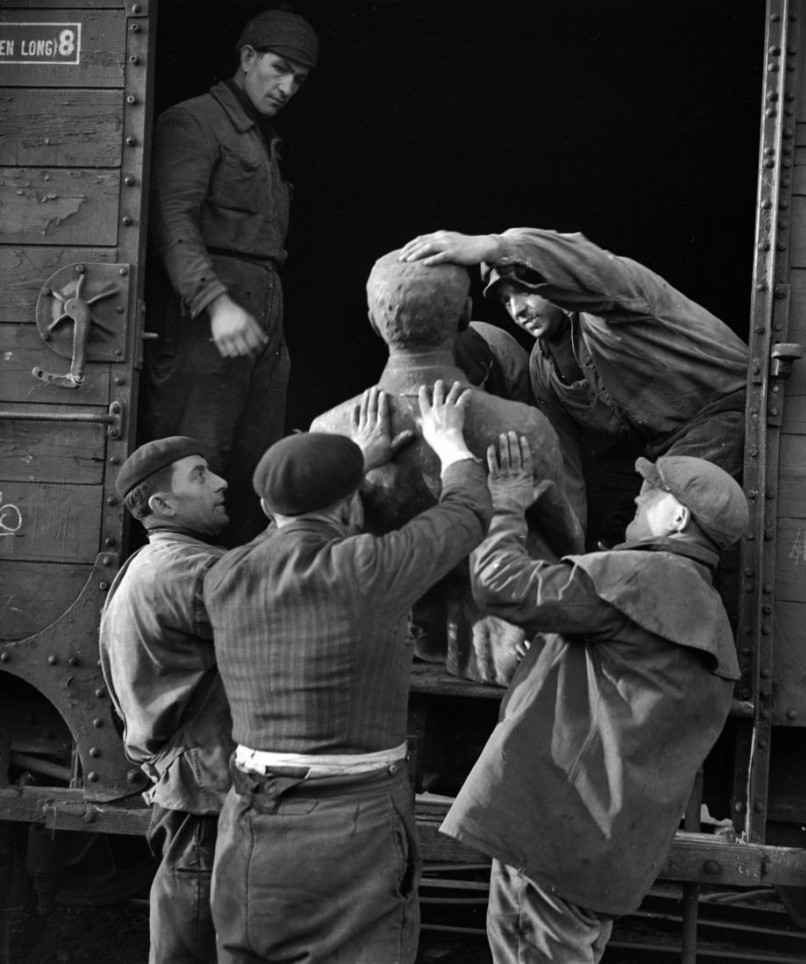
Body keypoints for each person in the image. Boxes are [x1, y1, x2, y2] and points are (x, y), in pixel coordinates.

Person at [203, 382, 492, 964]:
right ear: (347, 506)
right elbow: (467, 512)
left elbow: (282, 531)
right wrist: (450, 443)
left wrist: (351, 461)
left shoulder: (223, 576)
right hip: (352, 824)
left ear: (264, 507)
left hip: (248, 820)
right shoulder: (366, 567)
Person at [440, 435, 748, 963]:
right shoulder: (708, 618)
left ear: (677, 520)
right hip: (597, 858)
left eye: (651, 493)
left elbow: (498, 582)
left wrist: (508, 504)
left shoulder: (639, 579)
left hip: (549, 845)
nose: (635, 499)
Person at [310, 250, 582, 683]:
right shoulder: (521, 426)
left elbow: (309, 548)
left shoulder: (330, 430)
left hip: (376, 645)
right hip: (501, 652)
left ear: (373, 321)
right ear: (466, 316)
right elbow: (570, 543)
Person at [399, 229, 749, 546]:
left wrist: (496, 245)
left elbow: (590, 265)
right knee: (610, 520)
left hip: (725, 411)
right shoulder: (542, 366)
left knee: (660, 514)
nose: (518, 309)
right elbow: (566, 466)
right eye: (506, 301)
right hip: (655, 449)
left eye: (524, 291)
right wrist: (573, 547)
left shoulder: (612, 308)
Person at [144, 9, 319, 547]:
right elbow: (173, 220)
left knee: (255, 476)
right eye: (278, 68)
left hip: (261, 324)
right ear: (246, 58)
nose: (287, 86)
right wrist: (215, 302)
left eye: (299, 78)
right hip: (207, 328)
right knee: (193, 472)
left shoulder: (261, 141)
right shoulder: (194, 122)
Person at [98, 436, 235, 964]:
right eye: (200, 475)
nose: (221, 482)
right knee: (190, 944)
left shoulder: (158, 563)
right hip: (204, 789)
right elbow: (277, 593)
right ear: (162, 504)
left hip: (196, 783)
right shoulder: (185, 572)